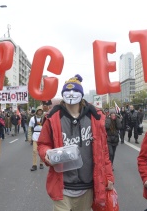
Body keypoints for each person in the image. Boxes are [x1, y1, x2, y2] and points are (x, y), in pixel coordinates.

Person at [38, 74, 114, 211]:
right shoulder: (53, 118)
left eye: (75, 91)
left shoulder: (94, 118)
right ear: (63, 95)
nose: (71, 94)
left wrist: (108, 176)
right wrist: (47, 154)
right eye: (68, 91)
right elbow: (43, 144)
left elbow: (103, 151)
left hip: (87, 186)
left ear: (81, 94)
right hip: (62, 186)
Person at [28, 105, 45, 171]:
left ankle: (41, 163)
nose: (40, 112)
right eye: (39, 111)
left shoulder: (44, 118)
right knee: (34, 151)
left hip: (42, 136)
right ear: (37, 111)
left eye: (41, 111)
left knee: (41, 151)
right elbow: (29, 129)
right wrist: (29, 137)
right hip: (35, 135)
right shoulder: (32, 118)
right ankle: (34, 165)